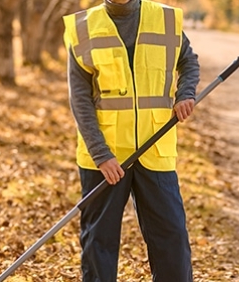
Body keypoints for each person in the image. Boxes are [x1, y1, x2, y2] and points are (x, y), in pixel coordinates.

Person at [63, 0, 200, 281]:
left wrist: (185, 93)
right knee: (98, 242)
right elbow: (80, 99)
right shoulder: (83, 27)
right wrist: (101, 154)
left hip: (155, 147)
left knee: (171, 236)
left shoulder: (164, 19)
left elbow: (188, 61)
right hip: (105, 157)